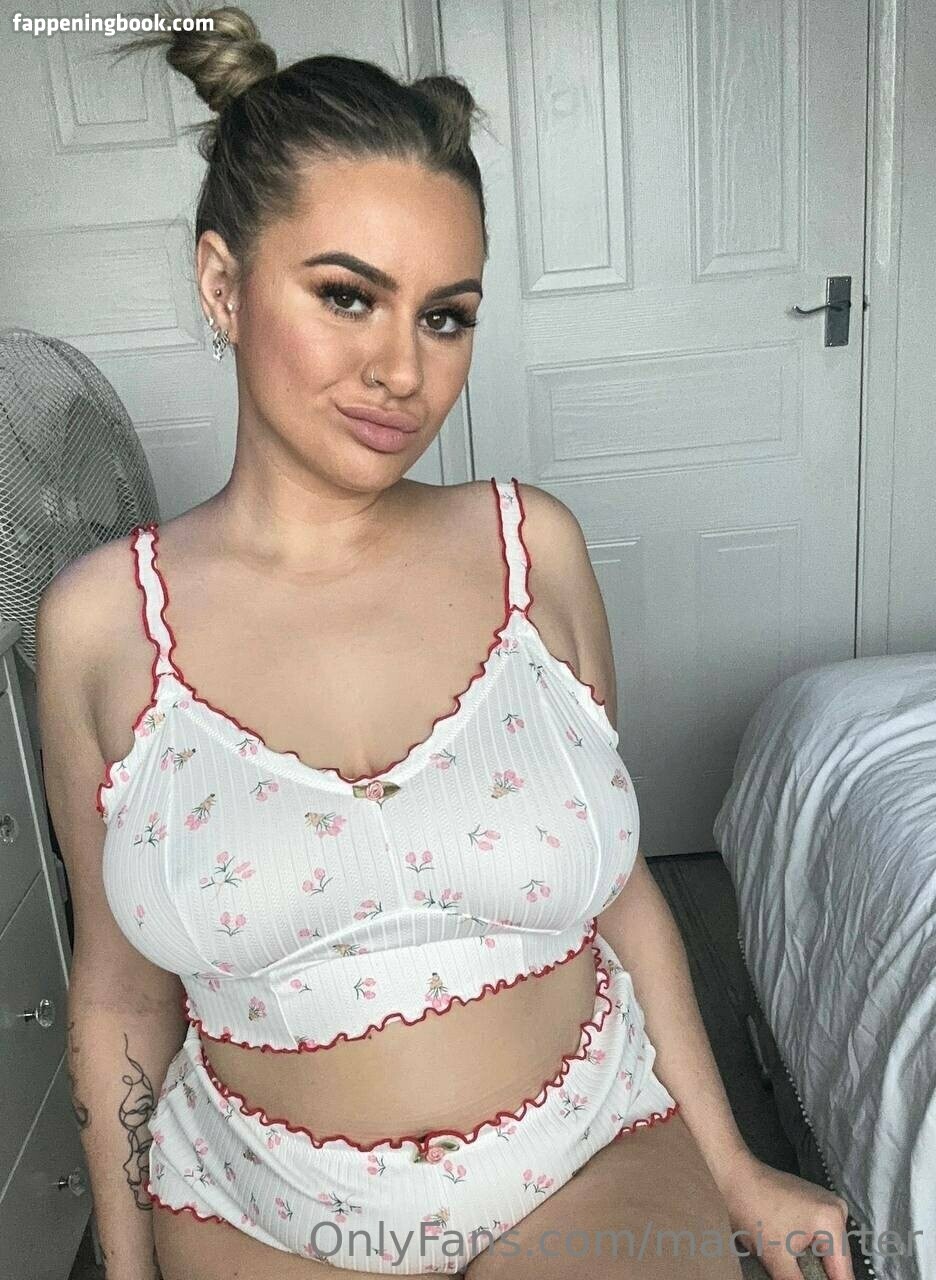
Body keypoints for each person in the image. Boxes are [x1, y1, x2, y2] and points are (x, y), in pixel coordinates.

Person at [35, 7, 853, 1279]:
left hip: (582, 1156)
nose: (401, 370)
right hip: (254, 1202)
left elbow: (620, 889)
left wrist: (738, 1169)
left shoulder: (534, 552)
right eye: (347, 296)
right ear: (222, 284)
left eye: (446, 315)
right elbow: (118, 990)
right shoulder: (101, 625)